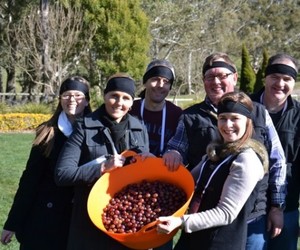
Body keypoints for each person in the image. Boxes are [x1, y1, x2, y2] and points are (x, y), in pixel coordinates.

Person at [162, 52, 287, 250]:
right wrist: (171, 154)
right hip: (204, 220)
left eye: (222, 76)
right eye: (210, 77)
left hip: (252, 218)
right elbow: (178, 152)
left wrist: (276, 207)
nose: (216, 81)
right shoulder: (198, 127)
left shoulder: (258, 113)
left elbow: (277, 160)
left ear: (235, 77)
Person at [157, 91, 269, 249]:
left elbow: (226, 213)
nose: (228, 125)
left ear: (247, 122)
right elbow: (186, 181)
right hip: (194, 238)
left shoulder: (246, 160)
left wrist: (180, 222)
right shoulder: (215, 153)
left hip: (218, 243)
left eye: (235, 118)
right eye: (223, 118)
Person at [55, 73, 150, 250]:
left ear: (132, 103)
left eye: (126, 98)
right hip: (90, 223)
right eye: (113, 95)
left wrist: (149, 162)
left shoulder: (139, 128)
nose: (119, 102)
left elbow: (143, 176)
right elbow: (62, 174)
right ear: (105, 96)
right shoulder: (84, 127)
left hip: (129, 224)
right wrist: (102, 168)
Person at [0, 76, 92, 250]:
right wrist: (13, 222)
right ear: (60, 99)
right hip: (46, 217)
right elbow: (30, 179)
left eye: (78, 95)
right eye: (66, 95)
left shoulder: (97, 130)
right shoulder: (47, 132)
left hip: (79, 217)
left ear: (87, 101)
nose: (72, 100)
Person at [250, 53, 300, 250]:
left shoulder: (298, 116)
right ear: (265, 77)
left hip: (287, 207)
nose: (280, 83)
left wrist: (278, 208)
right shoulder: (246, 108)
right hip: (250, 208)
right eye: (275, 77)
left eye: (287, 79)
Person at [130, 59, 182, 157]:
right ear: (145, 82)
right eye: (155, 79)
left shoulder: (177, 115)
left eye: (166, 81)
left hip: (162, 170)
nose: (160, 85)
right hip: (132, 168)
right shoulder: (130, 110)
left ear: (170, 86)